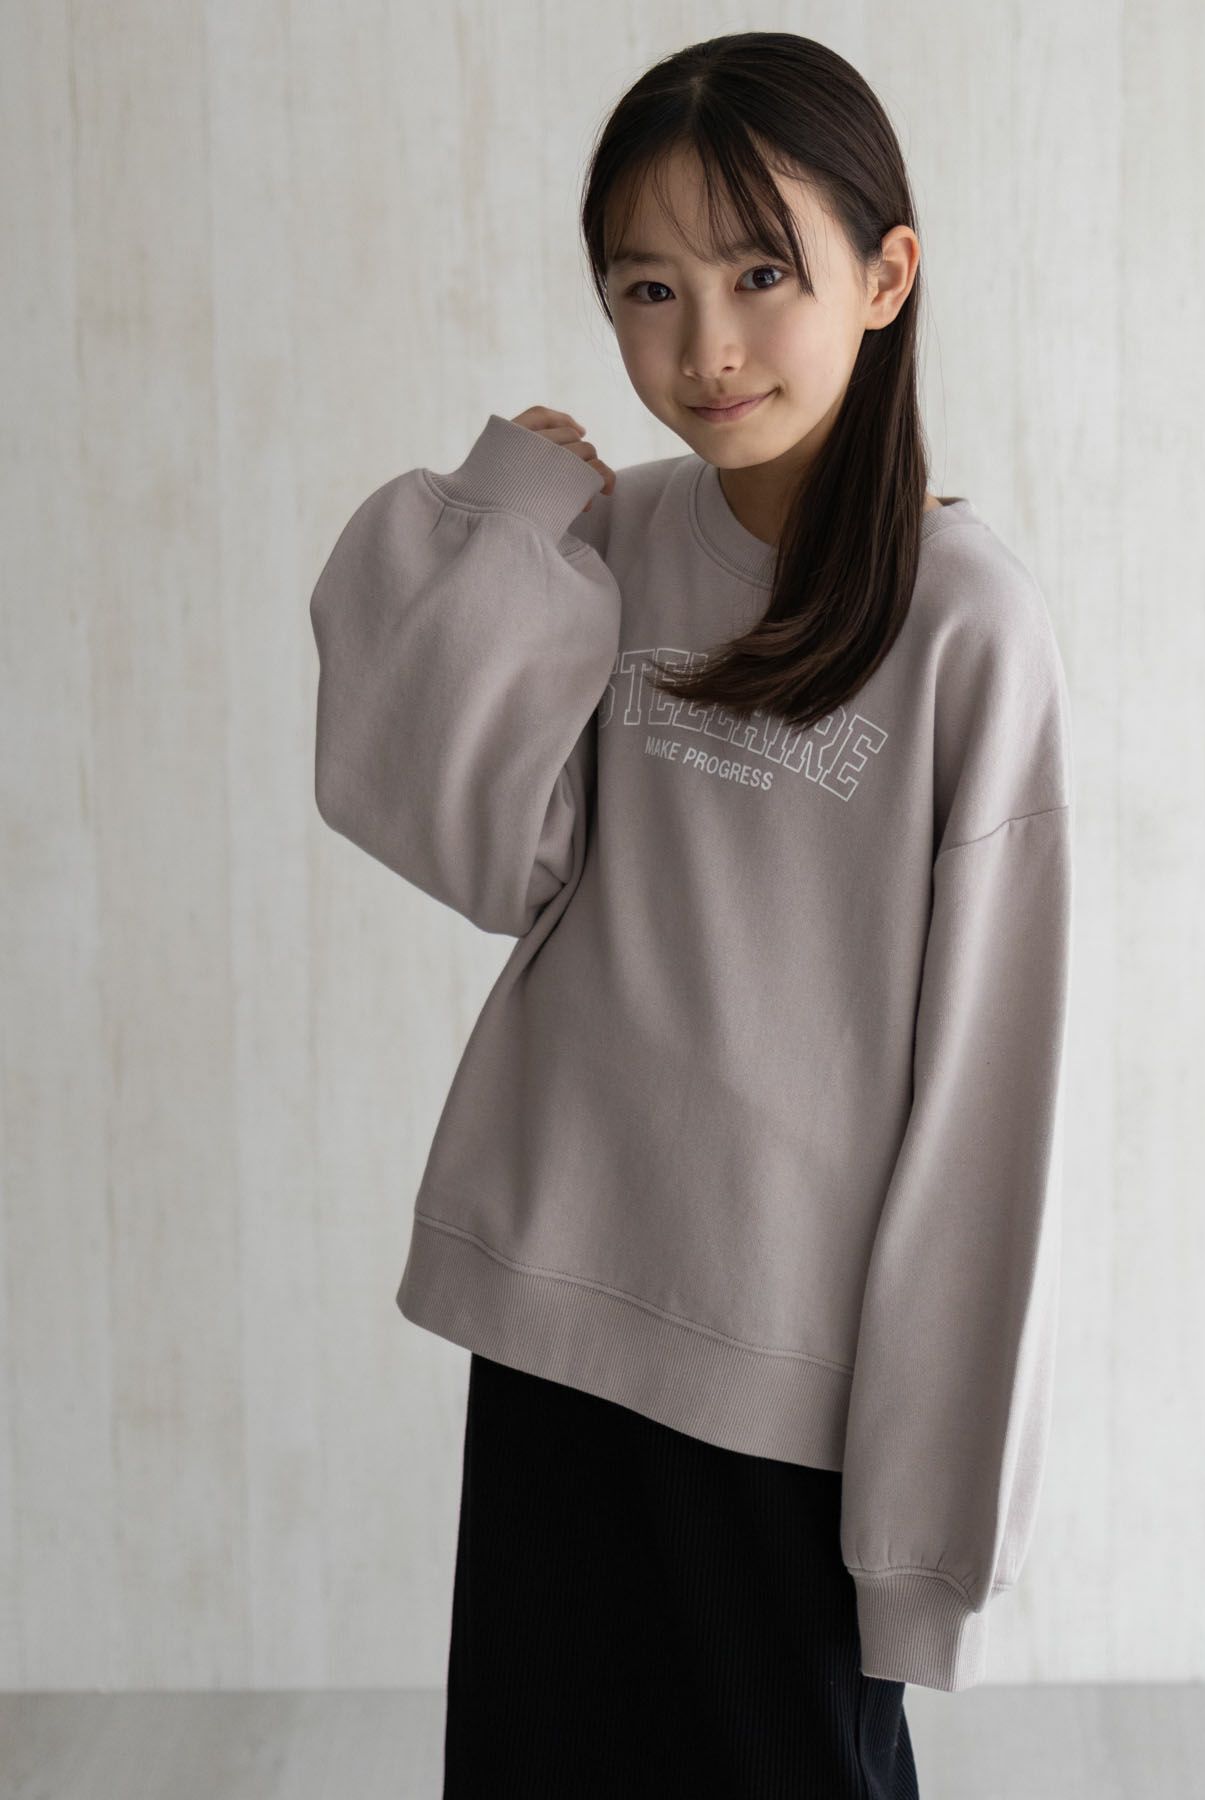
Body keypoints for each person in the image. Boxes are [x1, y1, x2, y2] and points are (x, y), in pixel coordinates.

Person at [308, 29, 1073, 1799]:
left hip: (788, 1394)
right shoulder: (616, 541)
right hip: (560, 1317)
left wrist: (927, 1535)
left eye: (759, 275)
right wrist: (505, 526)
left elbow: (992, 1109)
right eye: (648, 288)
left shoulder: (967, 621)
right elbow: (457, 833)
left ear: (885, 277)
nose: (705, 345)